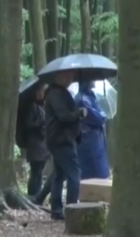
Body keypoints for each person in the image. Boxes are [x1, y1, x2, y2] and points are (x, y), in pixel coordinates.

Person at [45, 71, 87, 220]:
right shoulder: (55, 94)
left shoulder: (60, 93)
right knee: (74, 174)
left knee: (59, 175)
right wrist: (78, 114)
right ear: (59, 77)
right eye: (68, 76)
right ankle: (72, 209)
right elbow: (63, 116)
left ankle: (57, 210)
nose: (71, 79)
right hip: (61, 140)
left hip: (62, 139)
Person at [16, 83, 50, 199]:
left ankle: (37, 194)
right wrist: (41, 123)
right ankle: (32, 194)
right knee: (35, 172)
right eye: (41, 91)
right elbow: (28, 124)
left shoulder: (41, 106)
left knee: (39, 171)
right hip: (35, 144)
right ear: (36, 92)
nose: (43, 93)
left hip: (42, 144)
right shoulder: (31, 106)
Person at [75, 81, 110, 179]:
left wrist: (102, 114)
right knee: (93, 174)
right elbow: (98, 117)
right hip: (89, 141)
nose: (94, 81)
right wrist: (102, 115)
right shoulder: (82, 100)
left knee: (97, 172)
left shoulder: (90, 96)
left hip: (94, 140)